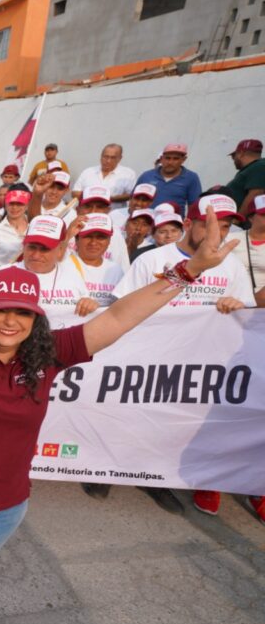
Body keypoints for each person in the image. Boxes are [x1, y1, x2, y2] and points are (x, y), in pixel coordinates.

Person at [0, 199, 240, 624]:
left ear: (36, 320)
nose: (10, 320)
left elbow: (118, 318)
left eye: (23, 313)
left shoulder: (49, 356)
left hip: (6, 507)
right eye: (0, 310)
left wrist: (188, 269)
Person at [112, 193, 256, 517]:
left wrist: (236, 306)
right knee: (140, 418)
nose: (218, 233)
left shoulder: (231, 267)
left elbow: (246, 314)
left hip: (202, 364)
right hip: (150, 357)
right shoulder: (151, 260)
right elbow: (122, 307)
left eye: (226, 226)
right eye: (210, 225)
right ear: (189, 224)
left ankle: (177, 478)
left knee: (188, 423)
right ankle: (113, 469)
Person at [17, 215, 98, 317]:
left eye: (44, 249)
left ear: (60, 250)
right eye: (32, 247)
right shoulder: (3, 275)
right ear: (23, 246)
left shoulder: (72, 275)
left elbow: (88, 305)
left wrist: (90, 304)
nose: (36, 255)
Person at [68, 213, 124, 306]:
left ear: (109, 241)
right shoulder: (64, 264)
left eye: (101, 237)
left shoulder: (116, 270)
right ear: (77, 239)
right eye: (88, 236)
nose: (93, 243)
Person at [134, 143, 202, 209]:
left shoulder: (191, 178)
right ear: (161, 158)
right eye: (167, 158)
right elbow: (133, 199)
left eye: (176, 159)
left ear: (183, 159)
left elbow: (195, 206)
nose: (170, 162)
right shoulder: (147, 176)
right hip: (146, 219)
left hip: (173, 220)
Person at [71, 144, 136, 212]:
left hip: (114, 216)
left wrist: (109, 198)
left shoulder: (128, 174)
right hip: (87, 215)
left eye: (113, 158)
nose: (108, 161)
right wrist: (95, 198)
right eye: (105, 157)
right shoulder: (88, 172)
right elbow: (75, 193)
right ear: (101, 156)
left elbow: (131, 195)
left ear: (120, 158)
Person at [0, 189, 30, 268]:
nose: (14, 207)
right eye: (11, 204)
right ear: (5, 205)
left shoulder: (33, 229)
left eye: (19, 204)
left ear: (27, 206)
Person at [225, 138, 265, 216]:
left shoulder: (259, 166)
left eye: (233, 156)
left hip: (243, 224)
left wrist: (238, 219)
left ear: (241, 153)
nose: (233, 159)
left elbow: (256, 193)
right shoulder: (253, 167)